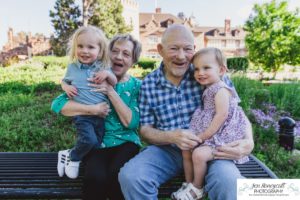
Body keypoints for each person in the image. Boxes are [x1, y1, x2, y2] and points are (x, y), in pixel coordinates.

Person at [118, 24, 254, 200]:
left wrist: (248, 141)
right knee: (132, 177)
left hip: (212, 148)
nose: (181, 56)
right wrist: (172, 136)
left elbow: (236, 112)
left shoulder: (208, 73)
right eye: (174, 48)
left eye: (187, 49)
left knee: (231, 185)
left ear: (194, 49)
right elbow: (145, 130)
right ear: (160, 50)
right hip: (168, 151)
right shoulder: (149, 84)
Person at [51, 33, 142, 200]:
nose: (118, 57)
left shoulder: (136, 85)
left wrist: (109, 90)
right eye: (114, 51)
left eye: (126, 54)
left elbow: (131, 122)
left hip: (126, 142)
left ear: (133, 61)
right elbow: (60, 106)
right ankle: (71, 154)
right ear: (106, 52)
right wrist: (92, 109)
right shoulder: (90, 77)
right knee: (94, 178)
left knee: (117, 175)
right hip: (99, 141)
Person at [172, 47, 250, 200]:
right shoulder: (210, 87)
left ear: (221, 70)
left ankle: (197, 189)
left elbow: (221, 116)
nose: (200, 73)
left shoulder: (221, 90)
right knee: (186, 149)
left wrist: (203, 136)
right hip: (209, 133)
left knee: (199, 155)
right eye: (196, 69)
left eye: (206, 68)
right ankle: (188, 184)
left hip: (221, 136)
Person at [55, 26, 117, 179]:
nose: (85, 51)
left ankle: (67, 153)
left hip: (101, 116)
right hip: (82, 115)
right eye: (80, 46)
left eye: (91, 47)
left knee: (96, 143)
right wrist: (66, 87)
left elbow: (114, 82)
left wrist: (107, 74)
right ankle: (74, 158)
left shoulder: (103, 67)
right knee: (88, 140)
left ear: (100, 51)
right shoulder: (73, 67)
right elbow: (64, 81)